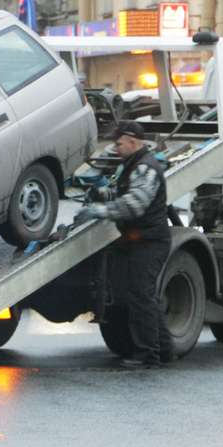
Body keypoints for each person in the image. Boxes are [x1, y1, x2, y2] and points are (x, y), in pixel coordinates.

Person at [74, 120, 174, 369]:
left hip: (150, 242)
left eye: (118, 143)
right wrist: (102, 194)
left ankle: (147, 355)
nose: (115, 147)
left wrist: (99, 210)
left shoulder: (145, 168)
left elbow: (135, 204)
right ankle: (165, 351)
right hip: (139, 241)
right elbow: (124, 194)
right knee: (143, 297)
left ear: (133, 141)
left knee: (141, 297)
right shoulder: (131, 165)